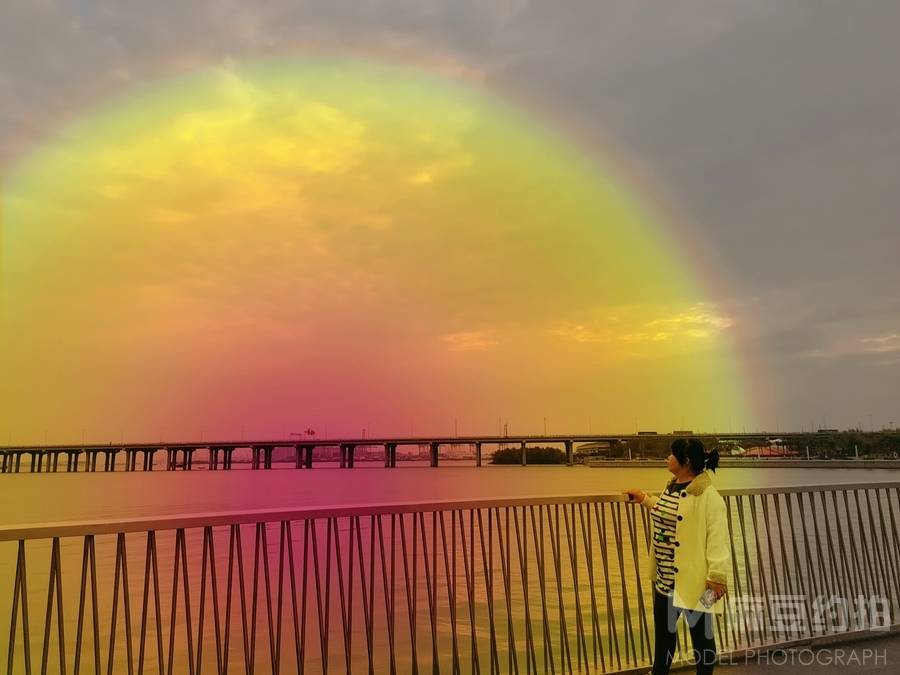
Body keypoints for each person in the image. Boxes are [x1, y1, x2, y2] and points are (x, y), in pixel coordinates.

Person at [625, 438, 729, 675]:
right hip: (665, 582)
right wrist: (643, 498)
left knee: (702, 640)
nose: (667, 458)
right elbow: (666, 512)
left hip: (700, 583)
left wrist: (717, 577)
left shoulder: (709, 497)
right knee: (664, 640)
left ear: (686, 461)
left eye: (671, 455)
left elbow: (718, 539)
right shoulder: (671, 487)